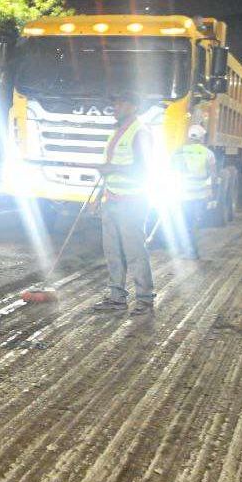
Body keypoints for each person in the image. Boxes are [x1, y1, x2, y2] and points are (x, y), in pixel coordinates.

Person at [92, 91, 155, 317]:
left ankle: (145, 300)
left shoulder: (140, 133)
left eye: (120, 102)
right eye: (114, 102)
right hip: (112, 198)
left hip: (133, 202)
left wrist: (114, 169)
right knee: (113, 252)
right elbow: (110, 166)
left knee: (135, 252)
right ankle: (116, 298)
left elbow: (144, 169)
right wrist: (100, 196)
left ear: (134, 106)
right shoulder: (117, 132)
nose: (115, 106)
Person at [172, 124, 217, 259]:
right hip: (200, 194)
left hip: (183, 194)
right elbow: (213, 174)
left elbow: (172, 170)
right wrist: (212, 191)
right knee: (195, 222)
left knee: (185, 221)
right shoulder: (208, 153)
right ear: (202, 137)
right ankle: (192, 250)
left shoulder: (179, 151)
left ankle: (187, 249)